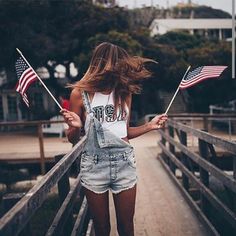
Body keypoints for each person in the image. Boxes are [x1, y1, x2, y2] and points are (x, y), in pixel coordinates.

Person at [60, 42, 168, 236]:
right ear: (102, 64)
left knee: (126, 227)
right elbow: (73, 139)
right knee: (102, 229)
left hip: (124, 163)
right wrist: (75, 127)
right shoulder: (79, 94)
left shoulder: (124, 92)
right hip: (93, 165)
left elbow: (124, 133)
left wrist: (150, 126)